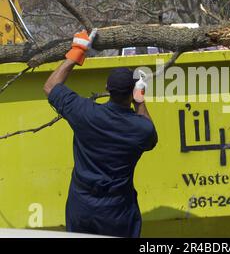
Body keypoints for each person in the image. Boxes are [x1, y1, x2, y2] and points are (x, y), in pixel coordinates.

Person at [43, 29, 158, 237]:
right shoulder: (140, 129)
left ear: (107, 88)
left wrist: (77, 52)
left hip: (82, 205)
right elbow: (150, 134)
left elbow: (51, 87)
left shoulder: (85, 112)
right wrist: (140, 100)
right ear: (132, 93)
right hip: (117, 210)